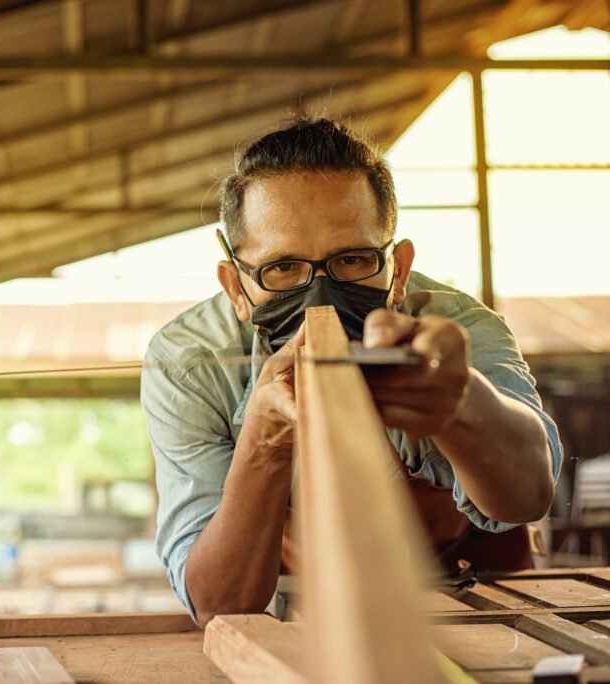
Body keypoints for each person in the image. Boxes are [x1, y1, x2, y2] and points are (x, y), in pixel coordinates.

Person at [140, 118, 562, 627]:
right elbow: (219, 603)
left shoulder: (457, 331)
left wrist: (461, 405)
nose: (320, 293)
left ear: (398, 270)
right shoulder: (189, 363)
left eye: (352, 259)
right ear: (236, 288)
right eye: (282, 268)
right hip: (307, 614)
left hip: (483, 599)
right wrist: (264, 442)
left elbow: (529, 494)